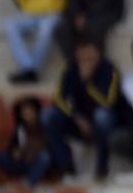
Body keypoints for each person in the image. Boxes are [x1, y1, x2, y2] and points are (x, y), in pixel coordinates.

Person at [43, 36, 123, 179]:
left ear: (98, 54)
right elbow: (59, 99)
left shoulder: (110, 70)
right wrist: (77, 117)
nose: (85, 60)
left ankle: (102, 167)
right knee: (48, 116)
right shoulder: (70, 69)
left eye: (89, 56)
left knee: (102, 116)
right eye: (82, 56)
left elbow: (109, 102)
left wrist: (88, 83)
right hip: (79, 121)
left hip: (107, 123)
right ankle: (66, 164)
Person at [5, 0, 67, 85]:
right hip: (31, 12)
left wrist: (62, 5)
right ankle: (28, 67)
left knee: (45, 29)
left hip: (54, 12)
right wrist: (27, 6)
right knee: (10, 25)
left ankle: (31, 71)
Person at [0, 96, 54, 185]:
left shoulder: (47, 127)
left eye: (30, 112)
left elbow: (52, 150)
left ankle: (27, 184)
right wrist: (14, 152)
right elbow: (12, 148)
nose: (27, 115)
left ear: (36, 111)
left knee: (45, 157)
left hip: (39, 164)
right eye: (24, 113)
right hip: (22, 164)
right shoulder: (21, 129)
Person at [56, 0, 122, 61]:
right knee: (63, 30)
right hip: (81, 13)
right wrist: (77, 14)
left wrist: (87, 15)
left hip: (105, 11)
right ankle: (76, 67)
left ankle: (97, 67)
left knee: (94, 28)